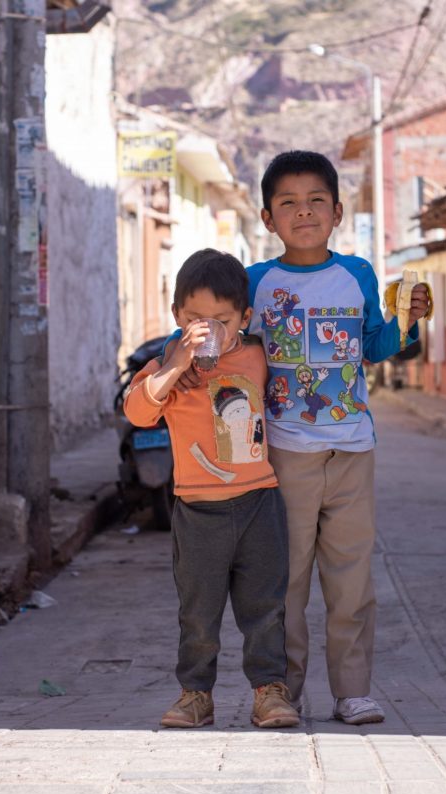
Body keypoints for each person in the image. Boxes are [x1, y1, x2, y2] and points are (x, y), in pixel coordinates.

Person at [170, 151, 430, 725]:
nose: (303, 211)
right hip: (283, 453)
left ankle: (352, 691)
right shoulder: (257, 284)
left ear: (337, 211)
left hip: (353, 449)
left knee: (352, 578)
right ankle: (281, 691)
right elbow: (210, 332)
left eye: (316, 200)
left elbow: (374, 346)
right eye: (287, 202)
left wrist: (407, 324)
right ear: (266, 218)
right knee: (283, 581)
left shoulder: (357, 274)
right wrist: (184, 362)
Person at [124, 248, 298, 730]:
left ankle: (269, 691)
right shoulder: (167, 364)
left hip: (259, 501)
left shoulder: (258, 356)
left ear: (244, 317)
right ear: (178, 316)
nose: (210, 330)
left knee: (264, 605)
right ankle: (195, 694)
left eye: (222, 319)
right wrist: (174, 366)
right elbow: (138, 413)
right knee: (198, 612)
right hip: (198, 511)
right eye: (196, 318)